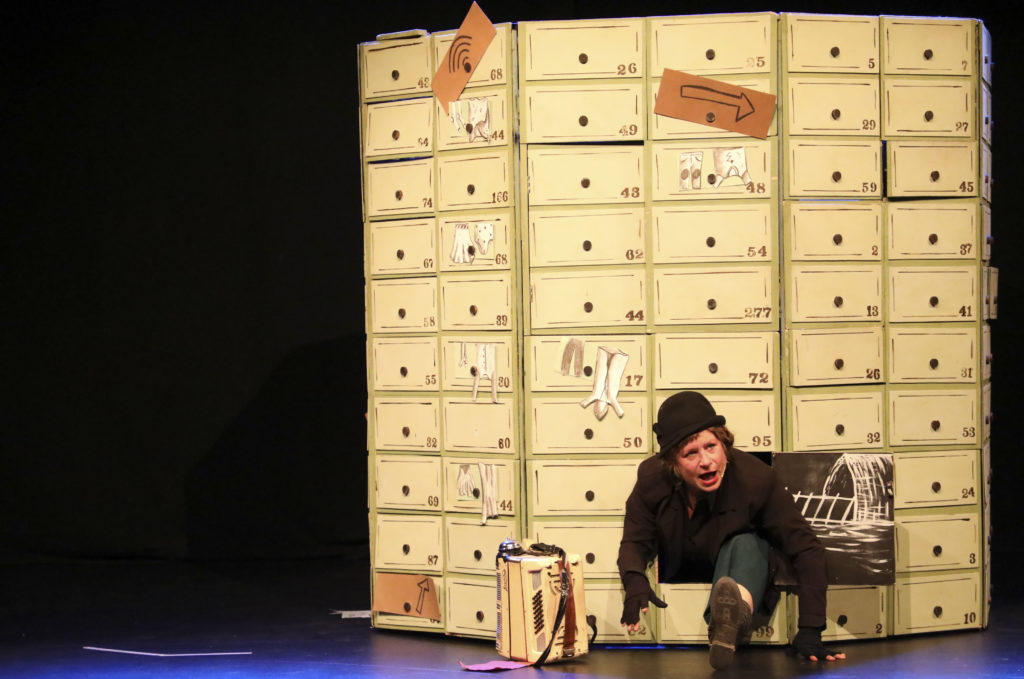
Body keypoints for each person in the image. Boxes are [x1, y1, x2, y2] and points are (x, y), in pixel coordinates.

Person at [617, 390, 846, 669]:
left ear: (724, 443)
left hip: (738, 563)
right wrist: (635, 581)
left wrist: (810, 629)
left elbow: (806, 548)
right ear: (673, 463)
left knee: (748, 541)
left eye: (711, 446)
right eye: (690, 453)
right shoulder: (652, 479)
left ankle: (730, 621)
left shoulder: (756, 479)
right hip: (681, 561)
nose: (705, 460)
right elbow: (635, 539)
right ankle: (726, 619)